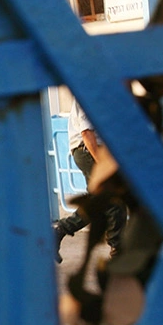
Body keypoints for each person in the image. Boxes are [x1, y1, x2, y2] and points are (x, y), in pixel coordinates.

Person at [53, 105, 127, 262]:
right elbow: (86, 133)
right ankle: (118, 251)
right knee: (111, 197)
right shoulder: (84, 95)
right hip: (88, 150)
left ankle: (60, 230)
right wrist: (102, 165)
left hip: (97, 150)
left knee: (101, 201)